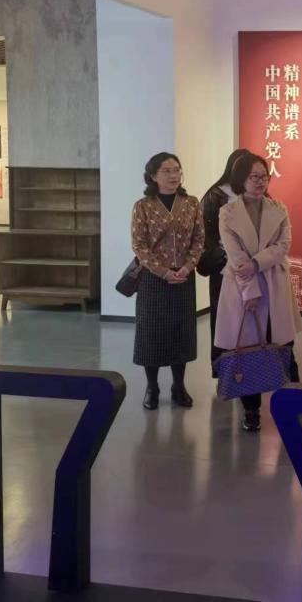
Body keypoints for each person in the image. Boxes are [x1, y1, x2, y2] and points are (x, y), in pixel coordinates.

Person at [213, 153, 302, 432]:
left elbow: (283, 245)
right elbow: (235, 255)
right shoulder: (227, 212)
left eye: (264, 176)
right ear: (240, 179)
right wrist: (250, 289)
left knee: (284, 347)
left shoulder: (279, 208)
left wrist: (256, 263)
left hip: (274, 285)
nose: (260, 182)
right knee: (248, 350)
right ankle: (251, 410)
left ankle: (297, 404)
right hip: (243, 287)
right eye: (253, 177)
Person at [131, 152, 205, 410]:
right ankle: (152, 387)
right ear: (153, 176)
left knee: (180, 332)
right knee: (151, 333)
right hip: (153, 279)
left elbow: (199, 240)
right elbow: (139, 245)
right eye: (167, 171)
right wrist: (163, 272)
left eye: (177, 170)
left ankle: (178, 386)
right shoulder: (143, 206)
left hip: (183, 277)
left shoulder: (192, 203)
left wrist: (187, 267)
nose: (173, 175)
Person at [199, 148, 251, 374]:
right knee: (224, 319)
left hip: (252, 268)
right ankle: (224, 371)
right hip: (223, 269)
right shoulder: (216, 195)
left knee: (250, 320)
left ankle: (251, 368)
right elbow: (203, 233)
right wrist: (222, 257)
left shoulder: (256, 193)